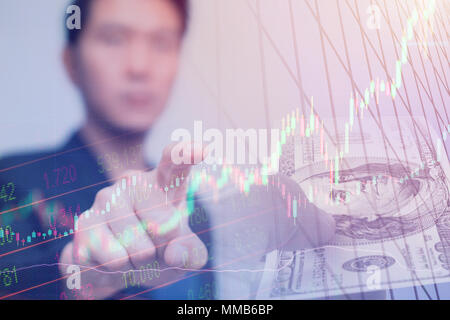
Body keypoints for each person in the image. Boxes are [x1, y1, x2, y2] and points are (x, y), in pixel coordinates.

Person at [0, 0, 335, 300]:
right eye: (114, 39)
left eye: (162, 43)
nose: (140, 66)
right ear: (71, 62)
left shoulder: (195, 212)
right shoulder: (10, 182)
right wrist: (74, 277)